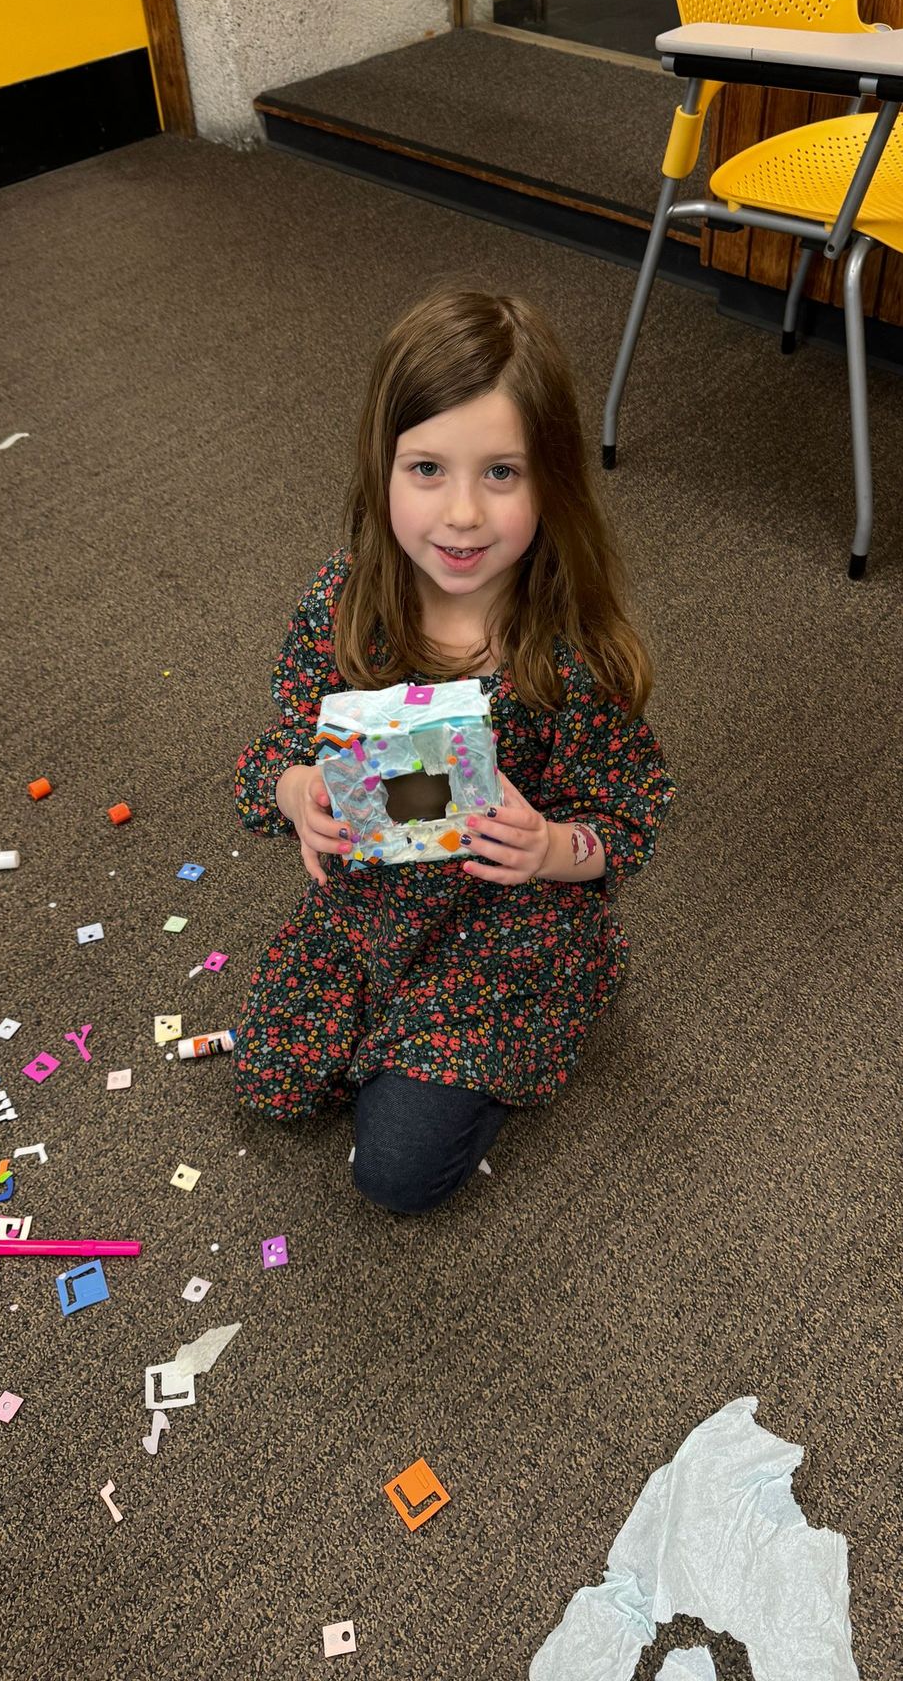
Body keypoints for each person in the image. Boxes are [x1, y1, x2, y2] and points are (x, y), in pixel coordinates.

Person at [231, 286, 676, 1213]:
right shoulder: (344, 601)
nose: (463, 514)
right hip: (372, 908)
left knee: (394, 1174)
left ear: (550, 479)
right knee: (272, 1080)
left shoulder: (570, 652)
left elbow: (628, 816)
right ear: (381, 471)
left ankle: (547, 1011)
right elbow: (281, 734)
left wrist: (553, 849)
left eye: (502, 474)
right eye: (428, 469)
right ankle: (401, 1038)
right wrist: (295, 787)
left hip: (505, 936)